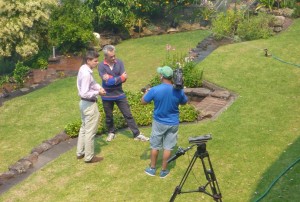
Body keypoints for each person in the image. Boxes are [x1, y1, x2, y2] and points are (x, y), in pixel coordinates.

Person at [141, 66, 188, 178]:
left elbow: (143, 102)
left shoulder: (155, 89)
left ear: (161, 76)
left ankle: (152, 169)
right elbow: (184, 102)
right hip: (173, 123)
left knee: (155, 146)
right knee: (168, 147)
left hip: (159, 122)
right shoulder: (178, 90)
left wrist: (146, 92)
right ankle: (164, 171)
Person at [98, 45, 149, 142]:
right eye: (111, 57)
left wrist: (115, 79)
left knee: (128, 114)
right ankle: (111, 132)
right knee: (109, 117)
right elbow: (107, 82)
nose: (114, 58)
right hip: (107, 96)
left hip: (119, 94)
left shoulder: (119, 62)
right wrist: (119, 78)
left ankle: (137, 134)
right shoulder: (101, 66)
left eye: (114, 55)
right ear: (106, 57)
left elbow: (124, 79)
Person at [76, 50, 106, 163]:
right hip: (89, 104)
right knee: (90, 132)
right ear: (88, 60)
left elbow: (92, 83)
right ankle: (89, 157)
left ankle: (80, 153)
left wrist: (99, 88)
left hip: (83, 104)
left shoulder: (83, 68)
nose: (97, 63)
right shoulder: (86, 74)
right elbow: (84, 92)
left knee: (84, 128)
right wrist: (98, 93)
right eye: (95, 61)